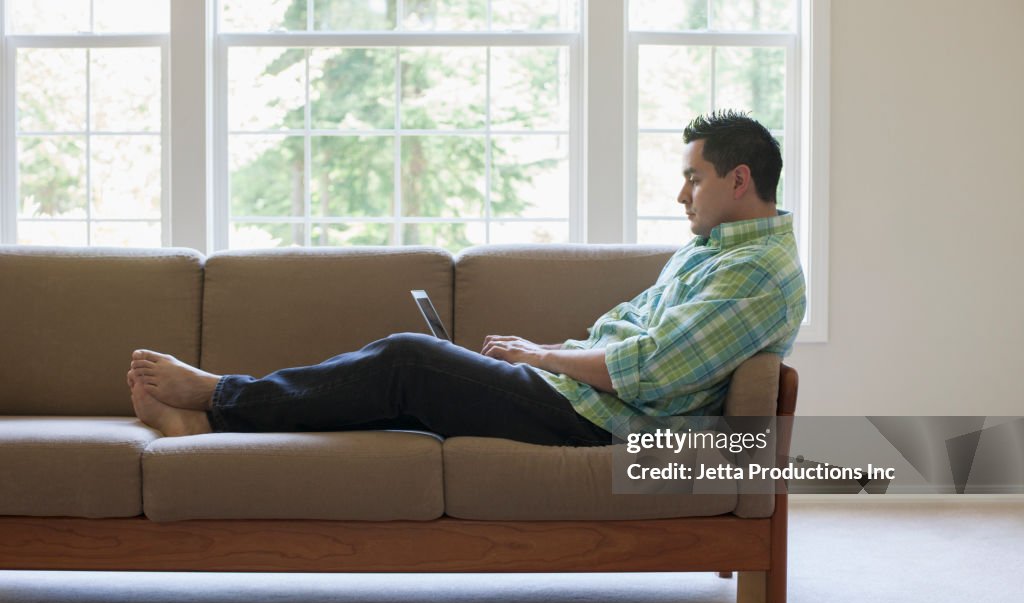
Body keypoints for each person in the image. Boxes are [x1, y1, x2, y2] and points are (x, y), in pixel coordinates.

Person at [127, 110, 805, 444]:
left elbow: (655, 369)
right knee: (404, 387)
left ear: (739, 180)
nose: (682, 195)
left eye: (694, 178)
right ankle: (215, 427)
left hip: (607, 422)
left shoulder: (757, 273)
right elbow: (638, 341)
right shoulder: (715, 249)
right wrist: (552, 358)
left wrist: (542, 356)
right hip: (584, 395)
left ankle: (219, 395)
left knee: (407, 358)